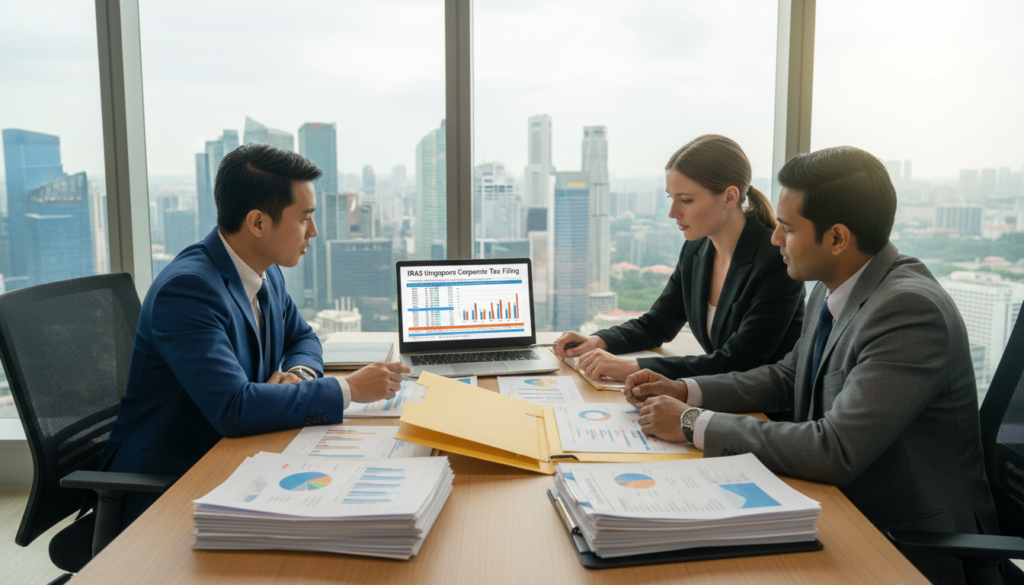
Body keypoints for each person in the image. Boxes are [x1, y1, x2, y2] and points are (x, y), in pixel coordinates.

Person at [626, 146, 998, 585]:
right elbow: (787, 377)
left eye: (787, 228)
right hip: (837, 506)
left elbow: (835, 449)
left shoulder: (909, 311)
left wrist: (690, 421)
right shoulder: (833, 285)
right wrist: (685, 389)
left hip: (904, 542)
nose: (775, 239)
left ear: (837, 238)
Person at [95, 144, 409, 526]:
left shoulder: (265, 269)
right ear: (258, 223)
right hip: (171, 484)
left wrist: (301, 376)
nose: (314, 231)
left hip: (239, 456)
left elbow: (303, 338)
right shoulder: (187, 291)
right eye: (305, 217)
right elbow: (234, 409)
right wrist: (349, 389)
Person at [554, 135, 805, 385]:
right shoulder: (695, 250)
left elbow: (738, 361)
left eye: (685, 200)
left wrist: (634, 367)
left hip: (767, 412)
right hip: (723, 397)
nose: (673, 212)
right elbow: (657, 324)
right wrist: (598, 341)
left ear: (729, 197)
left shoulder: (776, 260)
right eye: (670, 198)